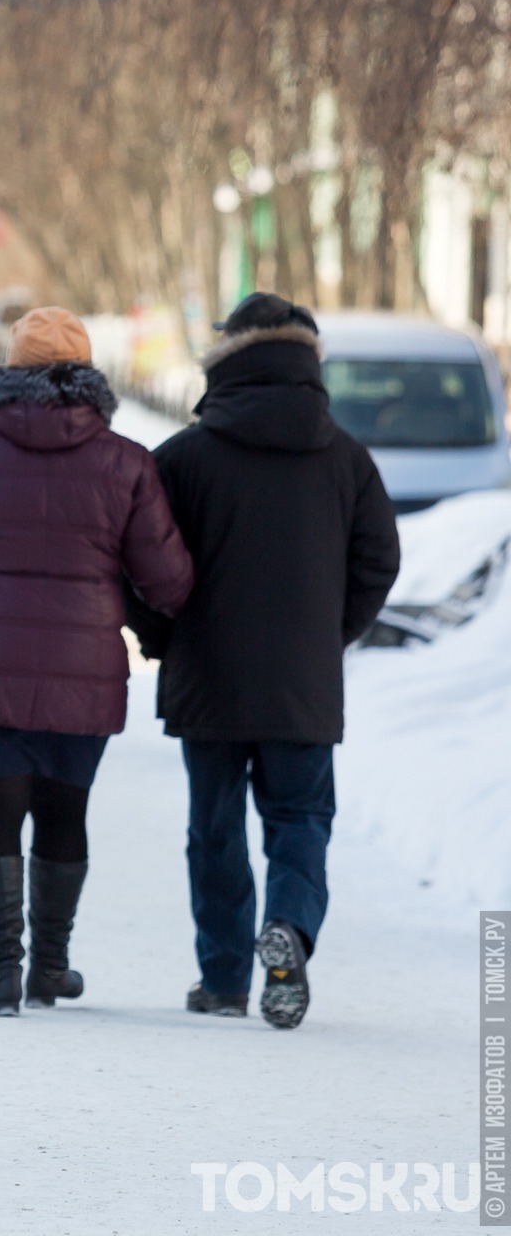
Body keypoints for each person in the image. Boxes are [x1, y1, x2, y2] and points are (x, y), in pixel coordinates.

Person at [0, 307, 192, 1017]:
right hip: (82, 672)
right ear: (88, 376)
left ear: (8, 371)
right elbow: (169, 579)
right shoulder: (125, 461)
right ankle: (50, 966)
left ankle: (1, 973)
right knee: (65, 815)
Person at [125, 293, 399, 1031]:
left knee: (214, 827)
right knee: (301, 817)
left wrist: (163, 636)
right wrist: (328, 633)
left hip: (207, 676)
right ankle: (290, 930)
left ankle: (222, 981)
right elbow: (381, 558)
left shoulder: (182, 459)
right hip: (302, 683)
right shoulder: (347, 458)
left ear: (226, 361)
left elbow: (135, 562)